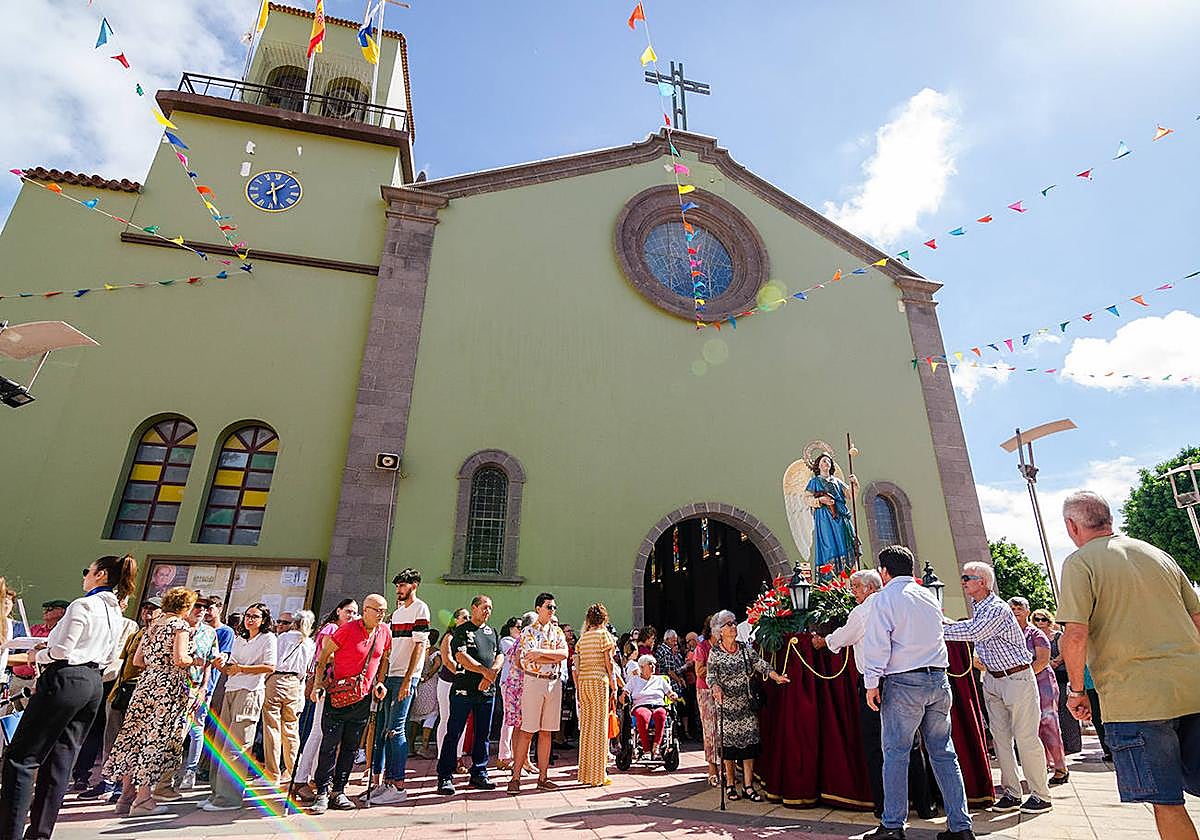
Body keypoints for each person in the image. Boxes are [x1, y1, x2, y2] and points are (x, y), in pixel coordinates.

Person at [1057, 491, 1200, 840]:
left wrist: (1077, 691)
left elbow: (1074, 635)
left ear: (1071, 526)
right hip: (1193, 687)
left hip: (1136, 699)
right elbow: (1197, 618)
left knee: (1167, 802)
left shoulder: (1080, 562)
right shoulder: (1155, 553)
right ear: (1109, 518)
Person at [0, 554, 136, 840]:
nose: (84, 575)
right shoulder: (116, 612)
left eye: (88, 570)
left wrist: (41, 653)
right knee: (60, 762)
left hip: (65, 677)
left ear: (100, 576)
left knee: (22, 758)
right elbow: (111, 657)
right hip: (92, 683)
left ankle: (8, 831)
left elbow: (62, 651)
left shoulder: (83, 604)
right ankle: (39, 833)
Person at [859, 545, 973, 840]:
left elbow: (878, 644)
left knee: (895, 753)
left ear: (884, 571)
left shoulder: (883, 598)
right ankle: (960, 826)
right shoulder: (929, 596)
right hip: (938, 678)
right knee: (944, 753)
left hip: (904, 682)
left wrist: (871, 684)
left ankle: (893, 824)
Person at [939, 563, 1053, 815]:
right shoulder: (980, 608)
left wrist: (937, 627)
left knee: (1025, 738)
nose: (963, 581)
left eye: (967, 577)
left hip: (1016, 678)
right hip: (993, 679)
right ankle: (1012, 793)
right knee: (1001, 739)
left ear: (983, 582)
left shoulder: (997, 608)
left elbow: (974, 631)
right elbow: (974, 630)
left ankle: (1041, 795)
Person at [104, 586, 197, 817]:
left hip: (145, 684)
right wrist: (197, 660)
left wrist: (157, 663)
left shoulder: (152, 626)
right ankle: (144, 800)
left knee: (134, 737)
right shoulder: (180, 625)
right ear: (185, 606)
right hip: (168, 687)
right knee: (155, 739)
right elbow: (180, 658)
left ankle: (126, 796)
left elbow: (138, 660)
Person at [813, 568, 890, 818]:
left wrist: (825, 641)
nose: (852, 591)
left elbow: (845, 636)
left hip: (873, 683)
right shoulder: (892, 602)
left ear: (869, 587)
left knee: (875, 745)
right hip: (900, 679)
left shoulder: (863, 610)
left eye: (856, 587)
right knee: (909, 743)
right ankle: (924, 802)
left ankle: (883, 805)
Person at [308, 593, 391, 814]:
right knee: (329, 745)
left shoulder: (384, 632)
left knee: (351, 748)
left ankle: (339, 791)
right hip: (337, 695)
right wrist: (318, 683)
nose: (381, 615)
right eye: (378, 610)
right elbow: (324, 654)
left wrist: (380, 682)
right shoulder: (347, 629)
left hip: (362, 699)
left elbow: (384, 658)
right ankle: (322, 793)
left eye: (384, 611)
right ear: (366, 610)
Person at [77, 596, 160, 802]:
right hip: (121, 691)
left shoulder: (159, 635)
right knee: (111, 739)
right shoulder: (136, 634)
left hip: (142, 692)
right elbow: (123, 663)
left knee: (133, 742)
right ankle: (107, 781)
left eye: (153, 608)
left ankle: (124, 787)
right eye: (146, 607)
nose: (148, 611)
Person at [706, 609, 789, 803]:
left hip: (746, 705)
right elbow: (711, 676)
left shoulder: (744, 648)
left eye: (734, 623)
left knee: (749, 748)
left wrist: (776, 677)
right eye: (729, 624)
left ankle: (748, 786)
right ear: (719, 630)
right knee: (729, 749)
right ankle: (730, 784)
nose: (733, 626)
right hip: (727, 707)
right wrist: (716, 687)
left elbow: (759, 663)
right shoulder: (715, 653)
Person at [201, 601, 277, 811]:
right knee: (221, 742)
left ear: (264, 620)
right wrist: (221, 665)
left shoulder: (268, 638)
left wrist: (241, 668)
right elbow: (230, 666)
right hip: (230, 689)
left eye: (255, 616)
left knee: (237, 744)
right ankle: (216, 793)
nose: (250, 619)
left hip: (250, 692)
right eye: (248, 615)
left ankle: (229, 798)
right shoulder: (239, 639)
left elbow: (270, 666)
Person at [368, 569, 431, 805]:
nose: (398, 589)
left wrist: (408, 680)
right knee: (384, 730)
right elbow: (387, 650)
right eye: (397, 586)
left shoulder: (420, 608)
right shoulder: (396, 613)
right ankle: (385, 782)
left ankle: (399, 785)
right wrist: (381, 679)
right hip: (391, 677)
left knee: (396, 729)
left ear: (414, 585)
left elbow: (419, 647)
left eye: (402, 585)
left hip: (407, 677)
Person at [292, 598, 358, 802]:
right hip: (326, 685)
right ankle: (301, 779)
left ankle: (311, 778)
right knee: (317, 732)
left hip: (333, 686)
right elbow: (326, 658)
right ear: (338, 610)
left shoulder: (338, 630)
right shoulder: (331, 629)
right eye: (348, 611)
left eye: (355, 613)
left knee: (321, 734)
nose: (351, 616)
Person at [437, 595, 503, 796]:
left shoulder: (492, 632)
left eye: (490, 608)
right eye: (484, 607)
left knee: (483, 733)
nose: (487, 611)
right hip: (463, 690)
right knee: (454, 732)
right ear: (473, 608)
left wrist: (491, 676)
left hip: (486, 690)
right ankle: (445, 776)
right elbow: (461, 657)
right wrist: (486, 672)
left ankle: (479, 772)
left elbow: (499, 655)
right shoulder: (461, 631)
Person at [71, 595, 137, 792]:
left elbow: (120, 656)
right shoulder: (95, 619)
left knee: (105, 731)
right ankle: (81, 774)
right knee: (85, 729)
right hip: (88, 677)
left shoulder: (128, 626)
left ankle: (106, 780)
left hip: (110, 682)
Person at [508, 593, 568, 795]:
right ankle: (515, 777)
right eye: (549, 607)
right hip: (533, 681)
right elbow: (526, 659)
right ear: (538, 608)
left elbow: (564, 655)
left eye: (554, 607)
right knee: (527, 730)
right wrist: (551, 656)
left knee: (547, 731)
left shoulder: (558, 632)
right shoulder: (528, 631)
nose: (552, 610)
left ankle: (543, 778)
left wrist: (541, 654)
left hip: (553, 682)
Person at [1008, 596, 1068, 786]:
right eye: (1012, 607)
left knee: (1048, 721)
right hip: (1020, 684)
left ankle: (1060, 767)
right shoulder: (1008, 633)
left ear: (1027, 611)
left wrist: (1022, 675)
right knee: (1029, 725)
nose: (1016, 610)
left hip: (1042, 682)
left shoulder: (1035, 633)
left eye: (1020, 607)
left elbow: (1042, 660)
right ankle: (1041, 766)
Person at [263, 609, 315, 785]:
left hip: (277, 679)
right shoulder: (309, 643)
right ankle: (293, 771)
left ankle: (272, 773)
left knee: (272, 728)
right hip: (295, 683)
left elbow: (273, 661)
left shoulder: (284, 638)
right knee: (291, 730)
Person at [195, 594, 235, 784]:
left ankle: (203, 766)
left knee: (209, 727)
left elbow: (221, 658)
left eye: (210, 608)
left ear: (219, 609)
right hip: (192, 683)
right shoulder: (195, 629)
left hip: (214, 684)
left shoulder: (225, 632)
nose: (206, 612)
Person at [574, 603, 616, 787]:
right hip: (599, 680)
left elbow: (577, 663)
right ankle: (598, 775)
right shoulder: (604, 636)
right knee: (600, 728)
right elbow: (609, 662)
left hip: (584, 681)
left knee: (586, 728)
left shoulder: (583, 639)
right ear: (604, 618)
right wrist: (614, 683)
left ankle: (584, 773)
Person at [805, 451, 859, 576]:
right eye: (823, 460)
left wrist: (854, 484)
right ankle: (830, 578)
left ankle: (846, 576)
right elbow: (806, 499)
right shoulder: (814, 481)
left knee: (844, 544)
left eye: (829, 461)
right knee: (828, 544)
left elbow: (850, 495)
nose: (826, 463)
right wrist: (820, 500)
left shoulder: (837, 481)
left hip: (840, 515)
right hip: (824, 516)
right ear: (818, 465)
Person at [1038, 608, 1082, 756]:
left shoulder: (1058, 636)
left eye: (1043, 619)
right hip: (1043, 678)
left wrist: (1052, 662)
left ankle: (1073, 744)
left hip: (1060, 676)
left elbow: (1065, 653)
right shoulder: (1034, 637)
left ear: (1048, 620)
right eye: (1037, 619)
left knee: (1065, 710)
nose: (1040, 622)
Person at [7, 598, 69, 700]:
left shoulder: (60, 633)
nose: (45, 611)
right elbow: (21, 650)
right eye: (45, 609)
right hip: (16, 679)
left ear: (62, 611)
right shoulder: (35, 629)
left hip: (35, 681)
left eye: (50, 609)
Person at [623, 654, 680, 758]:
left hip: (658, 705)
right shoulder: (634, 680)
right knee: (643, 715)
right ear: (641, 667)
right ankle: (646, 750)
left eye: (654, 664)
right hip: (641, 705)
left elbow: (670, 692)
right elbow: (624, 693)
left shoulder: (660, 680)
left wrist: (673, 695)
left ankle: (656, 746)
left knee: (661, 714)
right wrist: (624, 696)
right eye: (650, 664)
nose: (653, 666)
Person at [435, 607, 470, 766]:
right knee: (446, 718)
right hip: (448, 682)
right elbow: (448, 661)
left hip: (464, 684)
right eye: (464, 617)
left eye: (469, 617)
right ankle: (443, 757)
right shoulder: (449, 637)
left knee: (462, 720)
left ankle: (458, 757)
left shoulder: (469, 638)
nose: (468, 620)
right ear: (456, 620)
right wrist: (463, 674)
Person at [693, 615, 720, 786]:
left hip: (724, 690)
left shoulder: (726, 646)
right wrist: (717, 664)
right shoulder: (702, 647)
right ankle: (712, 769)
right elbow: (699, 671)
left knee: (723, 730)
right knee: (710, 729)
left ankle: (726, 768)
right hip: (705, 690)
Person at [496, 616, 523, 770]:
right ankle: (503, 756)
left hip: (519, 683)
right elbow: (513, 653)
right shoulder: (506, 640)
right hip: (509, 682)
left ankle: (513, 754)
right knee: (508, 720)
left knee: (517, 721)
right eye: (518, 627)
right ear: (510, 628)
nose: (520, 630)